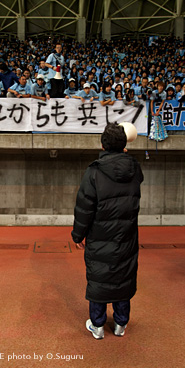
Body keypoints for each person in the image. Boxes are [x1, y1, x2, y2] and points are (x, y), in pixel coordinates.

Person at [72, 123, 144, 340]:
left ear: (102, 145)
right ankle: (121, 324)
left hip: (100, 234)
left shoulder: (94, 171)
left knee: (100, 278)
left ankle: (98, 325)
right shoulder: (135, 169)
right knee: (123, 276)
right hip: (127, 235)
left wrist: (78, 235)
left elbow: (84, 207)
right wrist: (125, 156)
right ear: (124, 145)